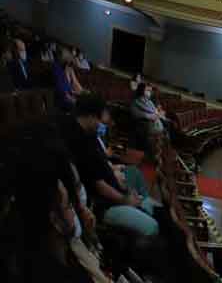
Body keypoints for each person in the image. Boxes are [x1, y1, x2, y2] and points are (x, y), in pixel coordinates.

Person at [59, 93, 161, 239]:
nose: (102, 123)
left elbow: (103, 169)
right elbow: (99, 185)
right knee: (152, 227)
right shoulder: (79, 141)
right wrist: (125, 200)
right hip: (104, 205)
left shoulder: (89, 134)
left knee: (151, 207)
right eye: (100, 119)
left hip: (115, 194)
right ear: (92, 116)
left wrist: (124, 188)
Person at [130, 83, 166, 160]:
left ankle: (158, 155)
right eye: (147, 90)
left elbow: (156, 113)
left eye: (150, 90)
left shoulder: (149, 102)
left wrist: (157, 114)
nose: (149, 92)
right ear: (142, 90)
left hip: (154, 124)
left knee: (166, 130)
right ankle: (151, 156)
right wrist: (154, 116)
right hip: (144, 125)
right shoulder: (135, 102)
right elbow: (139, 115)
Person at [53, 47, 77, 111]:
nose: (68, 57)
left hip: (68, 95)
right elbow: (59, 85)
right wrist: (69, 96)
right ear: (61, 57)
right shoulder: (56, 67)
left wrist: (72, 92)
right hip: (61, 98)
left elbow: (67, 84)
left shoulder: (63, 67)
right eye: (66, 56)